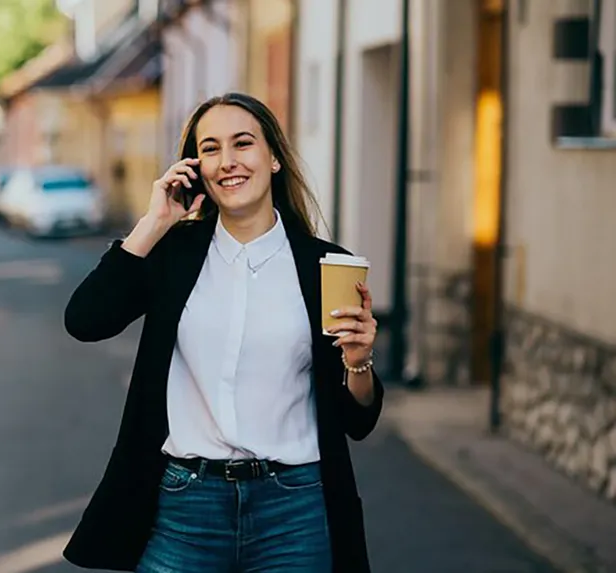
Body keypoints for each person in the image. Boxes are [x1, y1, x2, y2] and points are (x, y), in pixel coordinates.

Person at [62, 92, 383, 573]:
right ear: (196, 168)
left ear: (274, 157)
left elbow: (356, 420)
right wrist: (153, 223)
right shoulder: (174, 253)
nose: (227, 161)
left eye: (243, 143)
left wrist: (358, 360)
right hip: (187, 507)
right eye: (210, 149)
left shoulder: (324, 265)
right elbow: (85, 320)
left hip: (293, 510)